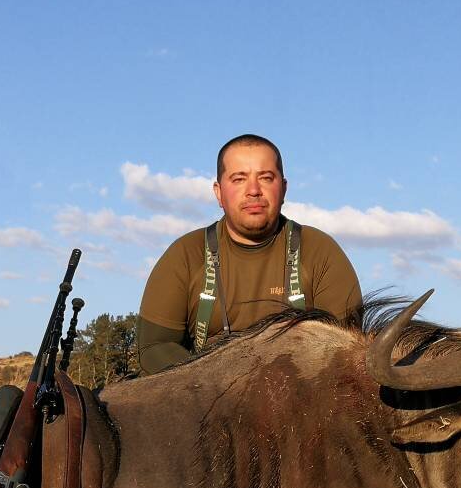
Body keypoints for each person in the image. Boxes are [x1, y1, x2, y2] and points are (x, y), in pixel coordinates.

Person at [137, 134, 362, 375]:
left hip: (298, 397)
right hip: (204, 395)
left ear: (283, 189)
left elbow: (346, 350)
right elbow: (153, 347)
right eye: (238, 179)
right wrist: (215, 383)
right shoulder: (185, 255)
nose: (254, 191)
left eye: (266, 178)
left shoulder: (320, 252)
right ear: (218, 192)